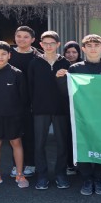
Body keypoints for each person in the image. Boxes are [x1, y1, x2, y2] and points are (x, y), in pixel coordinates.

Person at [59, 34, 101, 196]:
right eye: (89, 46)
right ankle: (86, 179)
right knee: (83, 146)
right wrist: (60, 79)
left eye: (96, 45)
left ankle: (98, 179)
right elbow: (67, 92)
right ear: (84, 49)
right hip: (82, 117)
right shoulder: (75, 69)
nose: (93, 48)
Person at [0, 41, 30, 190]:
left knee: (16, 143)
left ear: (9, 55)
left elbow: (24, 97)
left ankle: (20, 174)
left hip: (14, 116)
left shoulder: (17, 73)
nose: (0, 57)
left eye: (3, 54)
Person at [28, 31, 72, 190]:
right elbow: (30, 86)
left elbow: (71, 88)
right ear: (40, 45)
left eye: (52, 43)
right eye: (45, 43)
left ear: (58, 44)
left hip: (61, 109)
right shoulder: (34, 63)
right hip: (40, 109)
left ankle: (61, 174)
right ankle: (42, 175)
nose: (48, 46)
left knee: (62, 144)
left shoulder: (66, 63)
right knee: (39, 144)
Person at [8, 26, 40, 178]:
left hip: (32, 101)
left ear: (33, 40)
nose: (21, 39)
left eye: (26, 37)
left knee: (30, 134)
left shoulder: (38, 56)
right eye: (18, 36)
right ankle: (16, 165)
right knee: (14, 135)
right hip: (12, 101)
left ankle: (31, 164)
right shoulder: (8, 54)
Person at [63, 40, 83, 176]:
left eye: (74, 52)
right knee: (67, 138)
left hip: (81, 108)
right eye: (68, 52)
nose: (71, 55)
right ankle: (69, 164)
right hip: (64, 107)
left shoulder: (82, 67)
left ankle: (82, 163)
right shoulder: (61, 65)